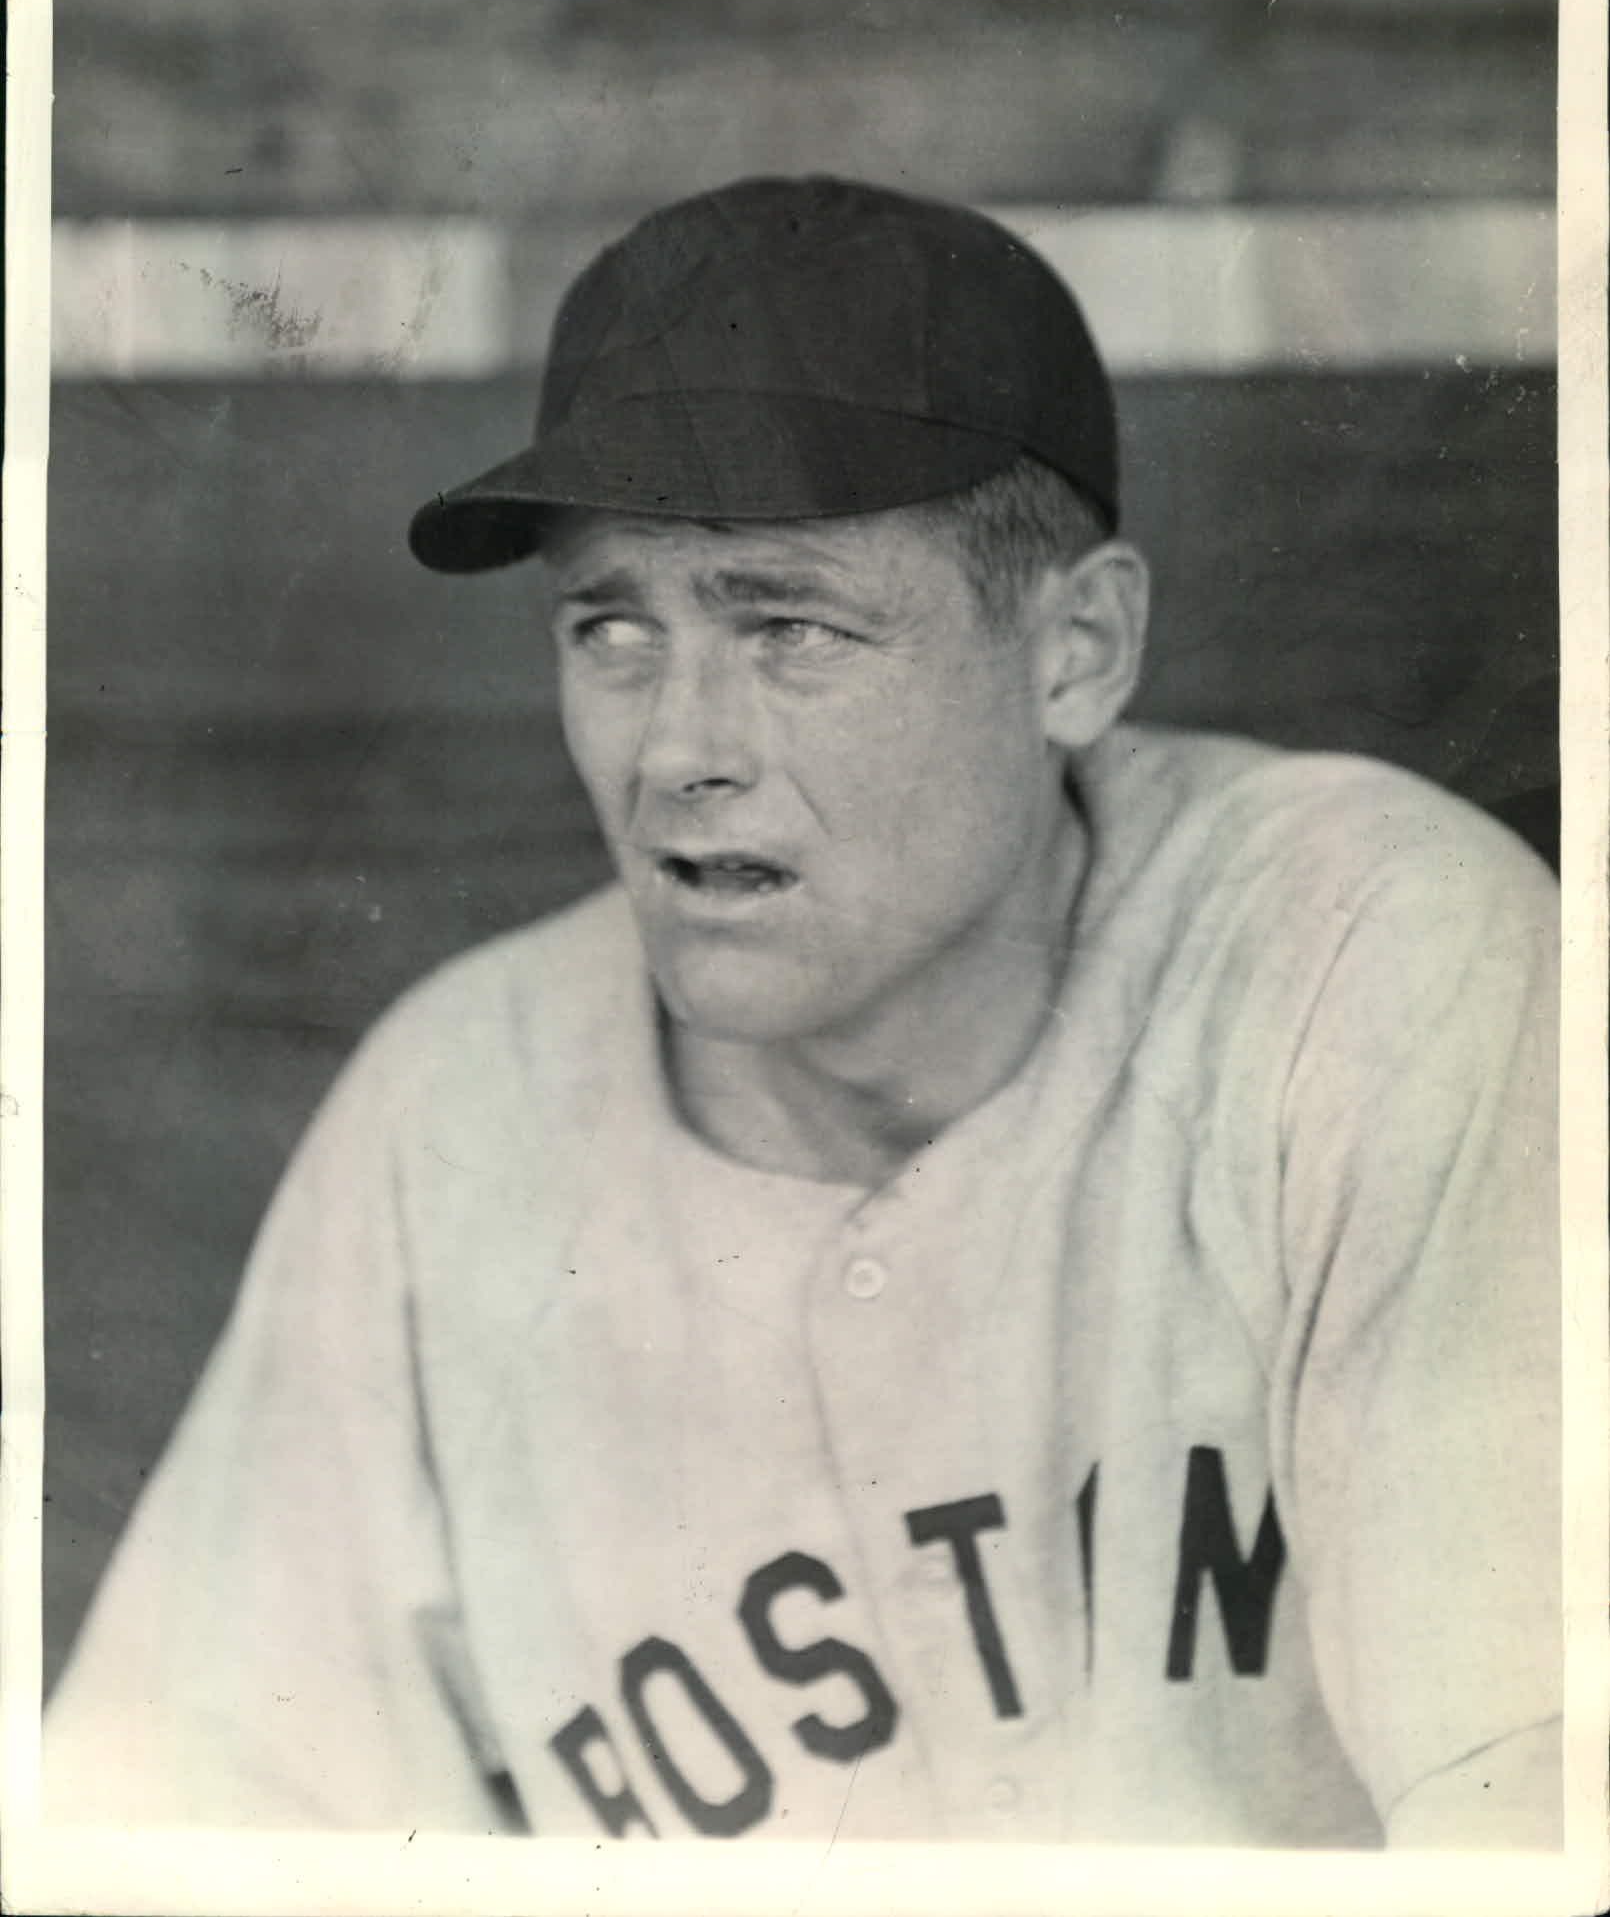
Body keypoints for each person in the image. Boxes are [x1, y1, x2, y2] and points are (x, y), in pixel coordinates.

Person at [45, 175, 1560, 1847]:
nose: (676, 746)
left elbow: (1544, 1801)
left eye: (789, 626)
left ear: (1077, 648)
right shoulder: (455, 1113)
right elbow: (179, 1827)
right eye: (611, 626)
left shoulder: (1355, 955)